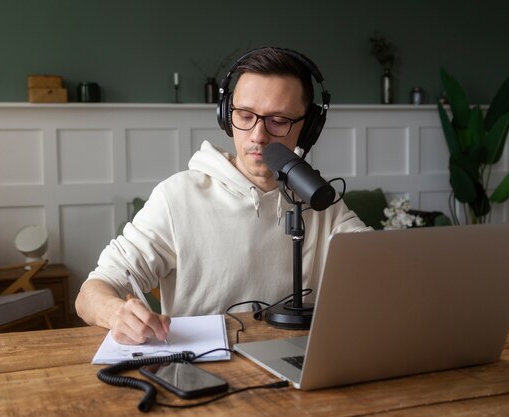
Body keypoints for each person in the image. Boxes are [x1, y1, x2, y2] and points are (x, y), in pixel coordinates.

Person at [75, 47, 371, 345]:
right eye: (244, 115)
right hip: (201, 373)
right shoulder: (177, 196)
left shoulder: (321, 202)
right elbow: (93, 291)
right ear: (226, 116)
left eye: (278, 120)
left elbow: (380, 268)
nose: (258, 135)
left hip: (299, 368)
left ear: (308, 128)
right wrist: (117, 314)